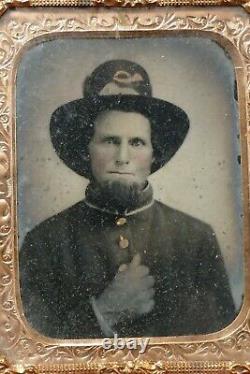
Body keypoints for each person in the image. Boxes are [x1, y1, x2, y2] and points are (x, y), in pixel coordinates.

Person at [20, 60, 236, 339]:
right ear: (87, 150)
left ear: (153, 154)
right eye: (110, 141)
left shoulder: (196, 239)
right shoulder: (45, 242)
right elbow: (23, 351)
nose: (123, 158)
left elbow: (224, 349)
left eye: (136, 142)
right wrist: (105, 311)